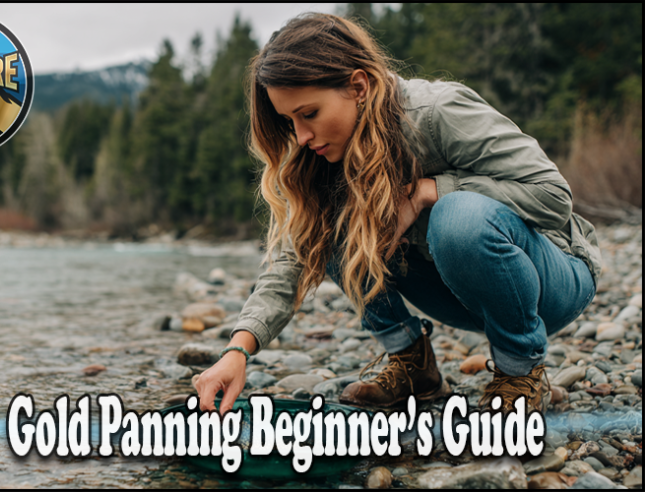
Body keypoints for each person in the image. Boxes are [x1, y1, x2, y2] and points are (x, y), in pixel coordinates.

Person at [194, 13, 600, 416]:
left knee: (457, 216)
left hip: (553, 281)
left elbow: (552, 196)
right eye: (289, 121)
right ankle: (413, 365)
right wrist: (237, 350)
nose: (300, 136)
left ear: (358, 86)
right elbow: (290, 258)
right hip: (462, 296)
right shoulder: (319, 158)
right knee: (327, 221)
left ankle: (519, 372)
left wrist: (431, 191)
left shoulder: (438, 112)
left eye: (310, 114)